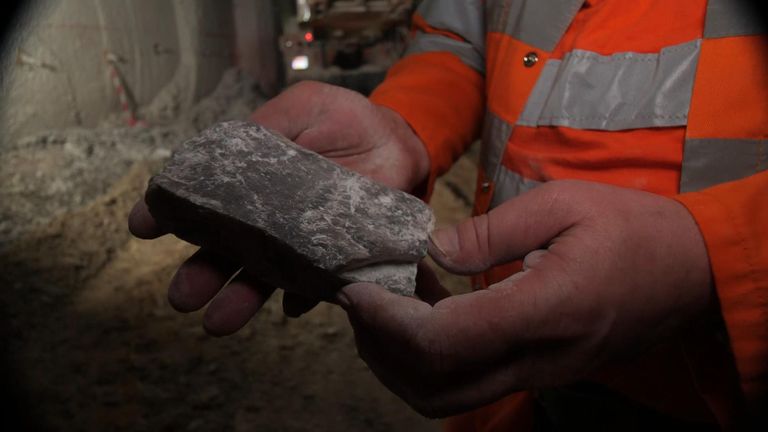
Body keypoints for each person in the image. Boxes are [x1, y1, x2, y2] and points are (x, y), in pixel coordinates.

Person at [129, 0, 768, 429]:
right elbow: (458, 39)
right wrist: (408, 125)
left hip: (716, 389)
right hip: (515, 392)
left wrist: (716, 254)